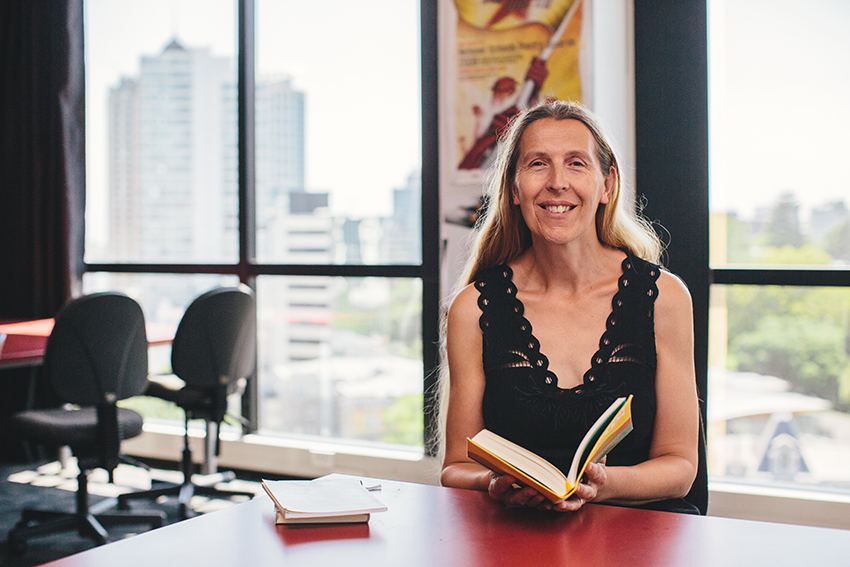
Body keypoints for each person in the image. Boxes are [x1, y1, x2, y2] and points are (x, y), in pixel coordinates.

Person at [439, 99, 700, 514]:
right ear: (513, 187)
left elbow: (681, 465)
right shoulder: (472, 309)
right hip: (516, 542)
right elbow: (455, 467)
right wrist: (491, 482)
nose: (557, 182)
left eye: (576, 163)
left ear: (607, 184)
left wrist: (603, 484)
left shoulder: (665, 298)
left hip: (636, 540)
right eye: (538, 164)